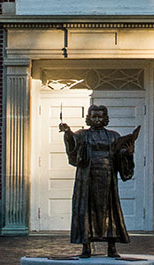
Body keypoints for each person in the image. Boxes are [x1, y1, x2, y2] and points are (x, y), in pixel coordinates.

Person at [58, 104, 139, 257]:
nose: (96, 119)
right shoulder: (82, 135)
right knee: (86, 210)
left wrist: (128, 153)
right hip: (87, 176)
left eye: (99, 116)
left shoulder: (113, 136)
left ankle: (112, 247)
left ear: (105, 118)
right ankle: (86, 247)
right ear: (89, 118)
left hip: (107, 177)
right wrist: (68, 132)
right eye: (93, 116)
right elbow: (73, 147)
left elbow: (120, 156)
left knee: (110, 210)